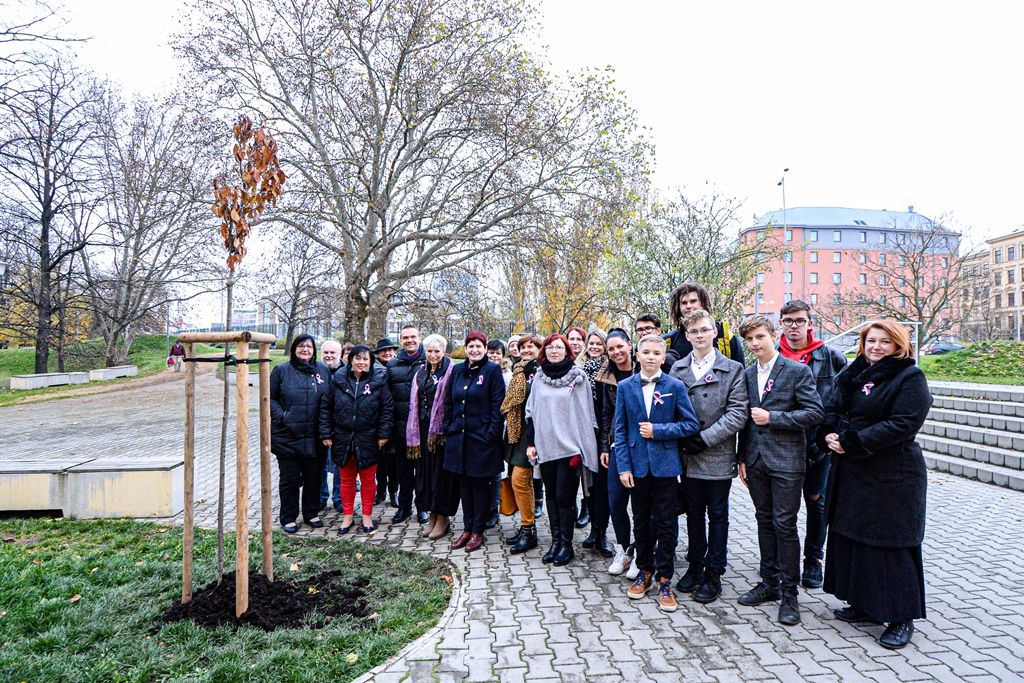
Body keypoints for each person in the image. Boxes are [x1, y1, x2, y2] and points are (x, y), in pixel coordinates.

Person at [818, 320, 931, 650]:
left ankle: (901, 617)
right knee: (854, 536)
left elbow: (903, 423)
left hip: (892, 474)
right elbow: (833, 409)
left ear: (899, 345)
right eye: (871, 341)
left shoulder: (909, 377)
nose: (876, 347)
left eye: (885, 342)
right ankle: (865, 604)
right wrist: (829, 434)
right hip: (853, 472)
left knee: (890, 543)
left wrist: (852, 442)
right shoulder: (852, 374)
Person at [736, 315, 823, 626]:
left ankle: (790, 594)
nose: (756, 343)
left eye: (760, 336)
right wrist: (742, 458)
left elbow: (814, 412)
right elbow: (745, 421)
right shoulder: (747, 375)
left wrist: (773, 417)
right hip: (756, 460)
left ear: (773, 334)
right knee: (764, 521)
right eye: (750, 339)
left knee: (784, 524)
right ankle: (769, 583)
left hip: (787, 461)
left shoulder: (796, 371)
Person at [615, 334, 700, 612]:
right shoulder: (625, 387)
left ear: (664, 358)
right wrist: (624, 466)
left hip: (665, 467)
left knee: (666, 522)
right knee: (640, 520)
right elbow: (621, 428)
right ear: (637, 355)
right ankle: (645, 571)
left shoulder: (675, 386)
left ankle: (665, 577)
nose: (650, 357)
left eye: (656, 353)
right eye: (646, 352)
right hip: (636, 467)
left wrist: (659, 431)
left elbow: (690, 424)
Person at [669, 309, 748, 604]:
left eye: (704, 330)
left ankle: (714, 572)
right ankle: (694, 564)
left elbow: (738, 413)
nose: (699, 336)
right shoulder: (678, 369)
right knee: (693, 514)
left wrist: (704, 438)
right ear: (686, 336)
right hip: (687, 455)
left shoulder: (733, 369)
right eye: (693, 332)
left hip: (716, 453)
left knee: (717, 515)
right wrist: (682, 436)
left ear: (714, 332)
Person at [776, 300, 848, 589]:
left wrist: (834, 435)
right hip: (781, 446)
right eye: (788, 320)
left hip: (818, 446)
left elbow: (843, 401)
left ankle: (813, 560)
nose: (794, 326)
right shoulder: (771, 354)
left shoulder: (830, 357)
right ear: (780, 323)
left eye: (799, 321)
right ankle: (781, 561)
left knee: (816, 505)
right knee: (782, 509)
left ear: (809, 323)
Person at [524, 333, 598, 567]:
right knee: (551, 496)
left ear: (567, 351)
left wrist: (584, 446)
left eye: (559, 347)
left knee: (565, 497)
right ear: (544, 351)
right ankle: (555, 542)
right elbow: (531, 412)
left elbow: (586, 414)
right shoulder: (539, 378)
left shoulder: (578, 378)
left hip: (570, 449)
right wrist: (531, 443)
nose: (554, 351)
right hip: (545, 447)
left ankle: (567, 545)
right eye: (550, 348)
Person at [443, 331, 506, 552]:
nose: (474, 350)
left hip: (482, 441)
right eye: (471, 346)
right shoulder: (458, 370)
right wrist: (448, 427)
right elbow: (449, 401)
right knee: (464, 487)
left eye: (479, 346)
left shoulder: (492, 371)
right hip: (458, 439)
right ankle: (467, 528)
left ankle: (478, 530)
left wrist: (491, 434)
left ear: (485, 348)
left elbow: (498, 406)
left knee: (479, 488)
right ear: (466, 348)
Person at [319, 344, 392, 534]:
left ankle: (367, 516)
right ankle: (348, 516)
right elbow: (326, 407)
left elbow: (387, 409)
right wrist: (326, 433)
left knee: (368, 481)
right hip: (343, 437)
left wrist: (384, 434)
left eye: (365, 359)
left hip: (369, 438)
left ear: (370, 362)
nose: (361, 362)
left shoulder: (379, 380)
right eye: (357, 358)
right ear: (350, 360)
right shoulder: (338, 379)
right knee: (346, 481)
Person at [269, 334, 331, 533]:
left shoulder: (322, 370)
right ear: (295, 348)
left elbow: (328, 400)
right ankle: (288, 517)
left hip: (314, 436)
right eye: (301, 346)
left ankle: (311, 513)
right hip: (288, 435)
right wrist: (284, 417)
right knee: (290, 479)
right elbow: (269, 399)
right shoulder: (281, 371)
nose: (305, 349)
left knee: (314, 477)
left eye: (309, 347)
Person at [408, 334, 460, 540]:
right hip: (421, 431)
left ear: (444, 351)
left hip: (440, 433)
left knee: (441, 477)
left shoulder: (451, 371)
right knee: (425, 476)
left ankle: (443, 518)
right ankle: (432, 514)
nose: (433, 355)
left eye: (437, 351)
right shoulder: (420, 372)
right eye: (429, 351)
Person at [596, 328, 638, 577]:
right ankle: (623, 550)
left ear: (629, 344)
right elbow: (605, 415)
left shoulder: (644, 367)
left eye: (619, 347)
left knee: (643, 504)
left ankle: (641, 551)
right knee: (616, 502)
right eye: (610, 349)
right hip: (617, 446)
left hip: (642, 446)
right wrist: (604, 446)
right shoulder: (607, 376)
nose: (616, 352)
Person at [499, 333, 542, 554]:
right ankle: (528, 527)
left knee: (519, 481)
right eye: (522, 347)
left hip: (531, 434)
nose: (526, 350)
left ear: (539, 349)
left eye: (531, 347)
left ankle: (528, 529)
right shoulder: (520, 370)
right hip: (516, 433)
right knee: (522, 484)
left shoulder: (539, 372)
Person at [386, 325, 427, 525]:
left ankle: (422, 508)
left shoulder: (429, 361)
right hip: (400, 429)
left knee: (421, 473)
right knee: (403, 472)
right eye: (405, 338)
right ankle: (404, 507)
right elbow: (386, 398)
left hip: (422, 429)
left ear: (420, 338)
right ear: (400, 340)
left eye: (413, 336)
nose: (409, 340)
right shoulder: (392, 365)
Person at [580, 326, 611, 555]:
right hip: (584, 434)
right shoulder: (580, 370)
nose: (594, 347)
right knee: (588, 486)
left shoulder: (609, 371)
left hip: (603, 435)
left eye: (598, 344)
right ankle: (593, 530)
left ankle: (602, 534)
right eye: (591, 343)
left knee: (603, 488)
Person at [663, 283, 745, 367]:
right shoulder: (669, 341)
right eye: (684, 303)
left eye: (693, 301)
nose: (688, 306)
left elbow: (740, 372)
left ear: (703, 303)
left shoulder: (725, 337)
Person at [485, 338, 512, 528]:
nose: (494, 355)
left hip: (500, 429)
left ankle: (494, 509)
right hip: (482, 428)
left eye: (497, 352)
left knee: (496, 473)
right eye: (491, 352)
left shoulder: (508, 376)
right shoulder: (482, 371)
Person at [374, 337, 400, 507]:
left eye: (390, 350)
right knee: (379, 463)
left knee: (394, 463)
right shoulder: (373, 369)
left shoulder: (399, 367)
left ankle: (394, 492)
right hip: (377, 421)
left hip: (396, 420)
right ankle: (381, 491)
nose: (387, 353)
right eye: (384, 351)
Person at [319, 339, 345, 513]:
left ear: (340, 353)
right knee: (320, 464)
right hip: (319, 425)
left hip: (341, 426)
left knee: (339, 466)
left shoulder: (347, 372)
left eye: (332, 353)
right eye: (326, 353)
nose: (329, 356)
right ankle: (321, 497)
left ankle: (339, 498)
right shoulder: (316, 370)